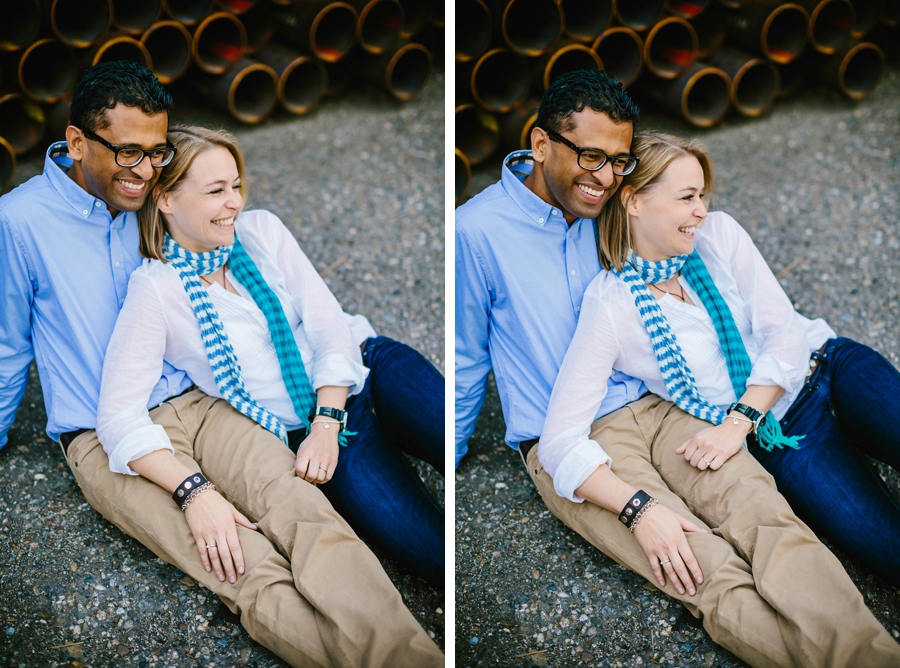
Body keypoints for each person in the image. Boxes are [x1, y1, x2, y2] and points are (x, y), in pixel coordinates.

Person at [0, 61, 443, 667]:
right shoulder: (19, 222)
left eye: (156, 155)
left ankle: (408, 654)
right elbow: (8, 345)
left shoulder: (153, 199)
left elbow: (224, 220)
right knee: (240, 561)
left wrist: (324, 418)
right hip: (110, 433)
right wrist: (194, 490)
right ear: (77, 143)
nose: (144, 171)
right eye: (129, 154)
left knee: (306, 513)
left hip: (206, 403)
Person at [455, 70, 900, 666]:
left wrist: (735, 421)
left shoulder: (617, 213)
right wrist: (447, 446)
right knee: (700, 565)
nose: (605, 176)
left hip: (664, 406)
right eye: (590, 156)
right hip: (576, 433)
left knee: (770, 522)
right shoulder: (479, 233)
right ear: (540, 145)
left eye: (617, 162)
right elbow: (467, 355)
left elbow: (707, 261)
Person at [540, 129, 900, 586]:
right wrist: (638, 508)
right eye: (687, 197)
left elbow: (784, 332)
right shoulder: (611, 307)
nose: (701, 211)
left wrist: (737, 423)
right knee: (889, 552)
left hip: (827, 366)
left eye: (702, 195)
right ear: (633, 201)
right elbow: (558, 441)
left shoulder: (719, 235)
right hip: (782, 438)